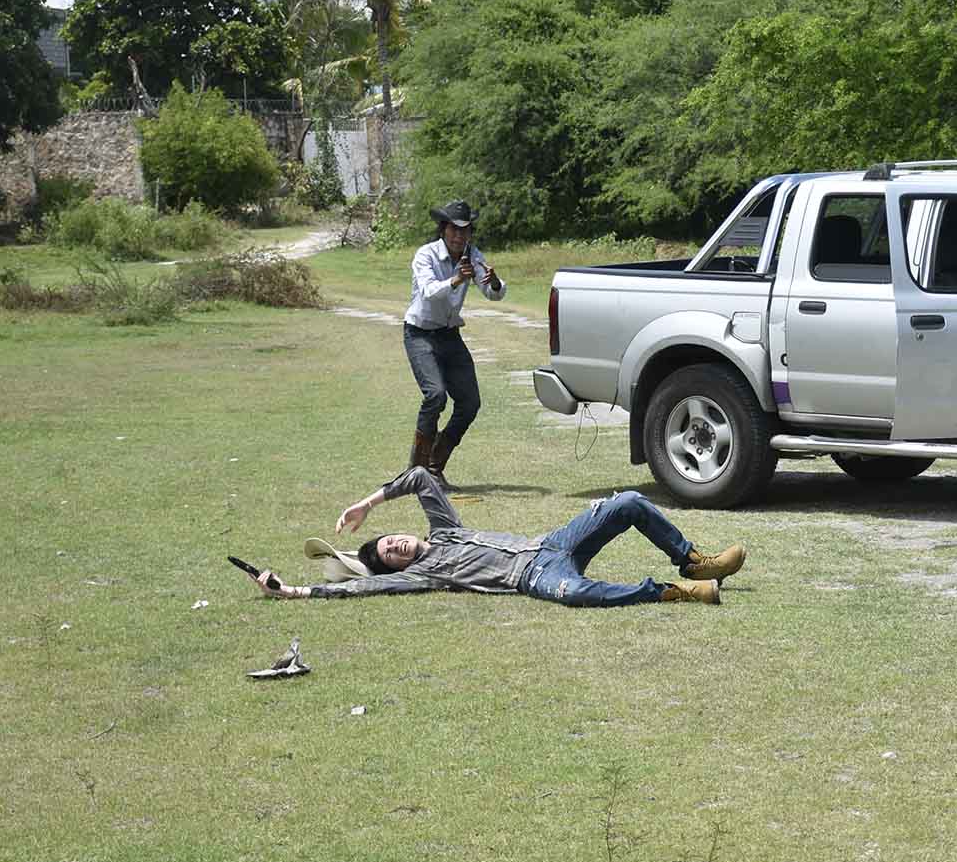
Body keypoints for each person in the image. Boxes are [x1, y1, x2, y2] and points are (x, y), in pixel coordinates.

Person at [241, 466, 746, 607]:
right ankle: (671, 591)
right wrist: (291, 591)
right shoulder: (426, 574)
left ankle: (694, 562)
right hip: (533, 575)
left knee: (629, 502)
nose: (394, 547)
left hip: (552, 542)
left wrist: (367, 503)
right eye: (388, 557)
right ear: (399, 569)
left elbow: (420, 475)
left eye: (390, 540)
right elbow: (360, 586)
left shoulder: (443, 530)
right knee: (574, 593)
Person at [405, 199, 504, 484]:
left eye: (465, 231)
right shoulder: (426, 255)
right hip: (420, 334)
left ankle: (433, 468)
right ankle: (415, 471)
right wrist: (456, 280)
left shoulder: (473, 255)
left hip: (450, 335)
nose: (460, 236)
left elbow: (493, 292)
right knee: (435, 396)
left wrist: (494, 283)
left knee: (470, 402)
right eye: (454, 230)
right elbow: (427, 291)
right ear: (443, 230)